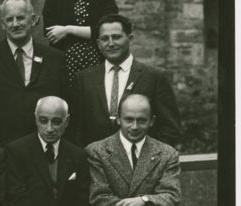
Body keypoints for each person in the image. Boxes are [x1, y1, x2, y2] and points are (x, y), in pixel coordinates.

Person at [70, 14, 182, 148]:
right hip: (95, 164)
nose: (111, 43)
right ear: (99, 44)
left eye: (117, 37)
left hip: (141, 164)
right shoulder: (84, 79)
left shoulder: (154, 77)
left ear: (130, 39)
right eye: (105, 39)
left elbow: (170, 129)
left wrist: (149, 162)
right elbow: (76, 130)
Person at [0, 0, 66, 146]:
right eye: (9, 19)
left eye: (20, 18)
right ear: (2, 24)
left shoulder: (55, 58)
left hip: (42, 145)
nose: (15, 24)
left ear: (33, 20)